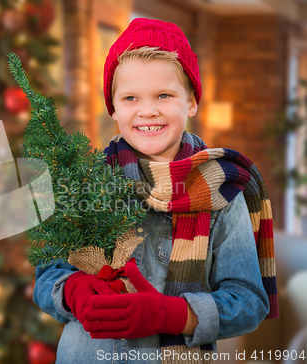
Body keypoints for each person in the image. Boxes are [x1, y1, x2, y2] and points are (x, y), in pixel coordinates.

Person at [33, 18, 279, 364]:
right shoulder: (84, 181)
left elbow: (249, 301)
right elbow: (46, 279)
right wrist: (73, 290)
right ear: (114, 108)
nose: (147, 110)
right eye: (130, 97)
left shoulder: (221, 190)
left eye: (164, 95)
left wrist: (171, 315)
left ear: (191, 102)